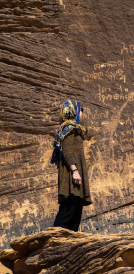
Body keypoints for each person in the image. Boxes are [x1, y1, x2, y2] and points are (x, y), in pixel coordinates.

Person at [51, 99, 92, 231]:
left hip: (75, 174)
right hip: (71, 176)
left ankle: (68, 245)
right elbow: (67, 152)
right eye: (80, 111)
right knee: (68, 211)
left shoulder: (75, 130)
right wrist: (74, 170)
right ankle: (50, 242)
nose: (82, 114)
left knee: (75, 212)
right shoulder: (68, 130)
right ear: (72, 112)